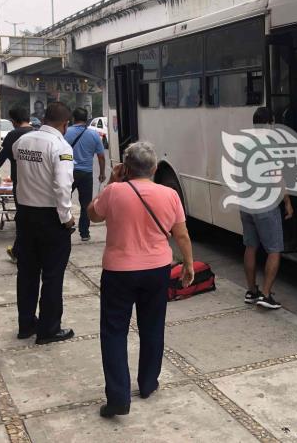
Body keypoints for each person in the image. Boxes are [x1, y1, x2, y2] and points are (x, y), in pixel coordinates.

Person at [87, 142, 194, 418]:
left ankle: (119, 397)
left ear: (125, 167)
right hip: (157, 269)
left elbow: (93, 215)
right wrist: (189, 264)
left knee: (113, 332)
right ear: (154, 168)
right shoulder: (169, 194)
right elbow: (181, 234)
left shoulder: (113, 192)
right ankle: (147, 384)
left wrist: (111, 179)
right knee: (152, 327)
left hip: (118, 272)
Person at [12, 102, 75, 345]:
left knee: (26, 273)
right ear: (64, 124)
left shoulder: (23, 141)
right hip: (50, 219)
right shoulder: (60, 146)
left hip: (25, 216)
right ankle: (49, 329)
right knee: (52, 275)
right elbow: (62, 186)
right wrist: (66, 218)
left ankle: (26, 324)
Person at [242, 107, 293, 309]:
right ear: (271, 123)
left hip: (246, 203)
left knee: (251, 247)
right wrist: (287, 202)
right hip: (265, 204)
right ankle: (265, 295)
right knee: (274, 249)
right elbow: (278, 178)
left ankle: (251, 291)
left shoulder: (244, 144)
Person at [0, 106, 35, 263]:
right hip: (40, 183)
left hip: (21, 184)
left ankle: (19, 252)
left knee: (23, 218)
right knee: (36, 217)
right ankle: (27, 251)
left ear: (13, 122)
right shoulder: (38, 133)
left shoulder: (13, 135)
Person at [64, 107, 106, 241]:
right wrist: (102, 173)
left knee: (63, 200)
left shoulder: (66, 132)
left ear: (73, 119)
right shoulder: (94, 135)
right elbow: (101, 156)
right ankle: (84, 233)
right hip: (86, 173)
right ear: (87, 120)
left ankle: (65, 225)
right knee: (85, 204)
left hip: (68, 172)